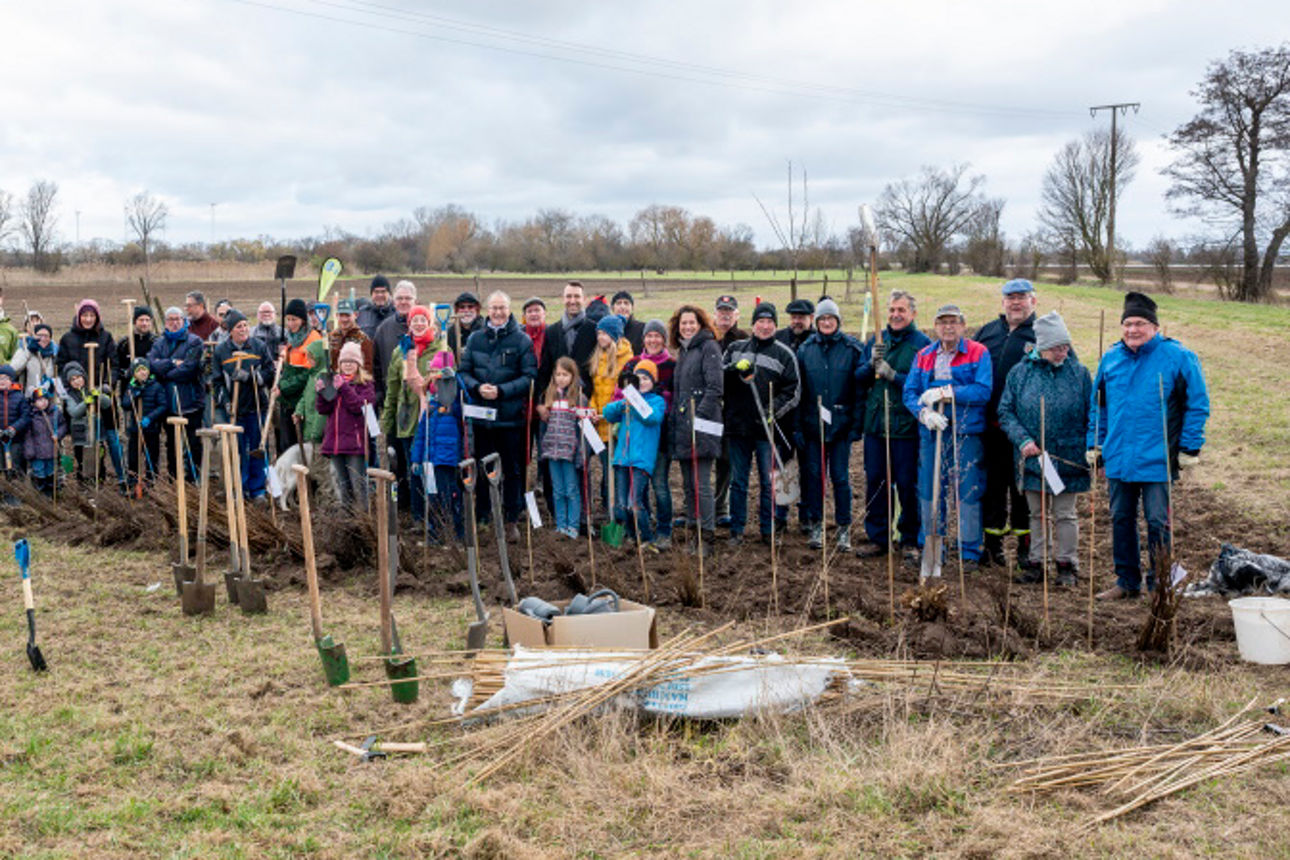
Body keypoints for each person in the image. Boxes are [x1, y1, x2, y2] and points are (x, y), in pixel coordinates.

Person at [1088, 292, 1210, 600]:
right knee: (1120, 518)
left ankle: (1160, 584)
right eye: (1127, 324)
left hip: (1158, 458)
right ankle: (1126, 581)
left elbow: (1197, 404)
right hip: (1118, 456)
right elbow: (1098, 406)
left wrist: (1189, 447)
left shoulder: (1178, 357)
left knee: (1158, 520)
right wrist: (1096, 444)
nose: (1132, 330)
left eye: (1140, 323)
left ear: (1154, 326)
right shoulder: (1111, 358)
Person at [998, 312, 1091, 587]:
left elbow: (1093, 413)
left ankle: (1066, 565)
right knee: (1036, 514)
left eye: (1065, 345)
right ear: (1041, 346)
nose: (1062, 351)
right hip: (1033, 458)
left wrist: (1092, 447)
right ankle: (1036, 563)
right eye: (1056, 347)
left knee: (1065, 514)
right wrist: (1023, 440)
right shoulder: (1020, 373)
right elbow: (1005, 411)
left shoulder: (1079, 373)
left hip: (1069, 456)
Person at [903, 304, 993, 573]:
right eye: (942, 323)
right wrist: (922, 414)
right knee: (930, 491)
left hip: (966, 432)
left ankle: (968, 551)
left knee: (967, 492)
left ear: (963, 326)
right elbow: (910, 392)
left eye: (953, 322)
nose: (948, 327)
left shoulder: (978, 353)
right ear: (935, 327)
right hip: (932, 433)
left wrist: (946, 392)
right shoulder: (924, 356)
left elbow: (982, 390)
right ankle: (932, 547)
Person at [855, 290, 931, 558]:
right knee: (876, 482)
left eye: (901, 310)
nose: (896, 315)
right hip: (876, 424)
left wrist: (893, 375)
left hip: (906, 427)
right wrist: (871, 363)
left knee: (907, 484)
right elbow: (859, 377)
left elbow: (924, 384)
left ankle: (909, 538)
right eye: (892, 310)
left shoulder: (922, 345)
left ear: (912, 313)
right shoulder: (878, 339)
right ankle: (878, 538)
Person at [457, 291, 537, 540]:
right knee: (483, 467)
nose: (498, 313)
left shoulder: (521, 340)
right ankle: (483, 514)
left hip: (510, 417)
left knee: (512, 470)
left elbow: (529, 377)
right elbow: (464, 371)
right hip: (482, 417)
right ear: (487, 311)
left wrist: (501, 391)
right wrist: (477, 388)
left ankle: (511, 517)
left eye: (502, 308)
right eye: (494, 308)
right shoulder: (475, 339)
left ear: (509, 309)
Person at [722, 302, 800, 546]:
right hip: (738, 426)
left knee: (768, 482)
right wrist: (732, 370)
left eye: (770, 322)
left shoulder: (784, 354)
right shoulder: (735, 349)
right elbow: (719, 378)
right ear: (753, 324)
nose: (765, 326)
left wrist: (773, 410)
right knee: (739, 481)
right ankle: (737, 529)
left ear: (775, 326)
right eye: (760, 322)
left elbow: (794, 390)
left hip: (767, 430)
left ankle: (769, 530)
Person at [975, 278, 1038, 566]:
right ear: (1003, 302)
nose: (1016, 302)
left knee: (1023, 489)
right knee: (992, 487)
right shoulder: (987, 332)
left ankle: (1026, 549)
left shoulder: (1042, 334)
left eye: (1021, 297)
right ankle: (992, 546)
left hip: (1025, 432)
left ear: (1032, 301)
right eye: (1010, 297)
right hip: (989, 428)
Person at [795, 299, 864, 550]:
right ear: (817, 321)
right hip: (813, 427)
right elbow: (799, 392)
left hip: (841, 427)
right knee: (814, 477)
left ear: (837, 321)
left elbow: (859, 391)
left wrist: (856, 425)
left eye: (830, 319)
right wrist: (798, 427)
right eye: (822, 319)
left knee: (840, 477)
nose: (826, 323)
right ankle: (816, 524)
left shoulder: (852, 349)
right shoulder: (805, 349)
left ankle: (843, 527)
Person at [382, 305, 454, 526]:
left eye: (423, 320)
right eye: (415, 320)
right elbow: (392, 390)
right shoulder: (400, 352)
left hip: (434, 420)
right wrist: (387, 422)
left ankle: (438, 516)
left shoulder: (441, 349)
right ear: (409, 324)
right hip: (407, 419)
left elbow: (449, 387)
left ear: (430, 322)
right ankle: (418, 518)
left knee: (432, 469)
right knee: (414, 470)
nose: (419, 324)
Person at [669, 305, 723, 555]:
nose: (687, 327)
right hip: (683, 427)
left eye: (691, 323)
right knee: (688, 485)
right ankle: (693, 530)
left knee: (702, 484)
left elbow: (714, 388)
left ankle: (707, 536)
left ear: (701, 324)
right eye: (683, 323)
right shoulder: (684, 351)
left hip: (703, 426)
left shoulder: (708, 348)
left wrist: (697, 417)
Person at [211, 310, 274, 500]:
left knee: (257, 448)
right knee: (238, 451)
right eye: (239, 326)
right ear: (230, 331)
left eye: (246, 325)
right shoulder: (221, 351)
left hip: (256, 406)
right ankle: (240, 488)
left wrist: (251, 378)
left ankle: (258, 490)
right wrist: (226, 402)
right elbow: (217, 382)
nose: (244, 329)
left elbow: (270, 373)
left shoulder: (258, 347)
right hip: (235, 412)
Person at [624, 320, 675, 549]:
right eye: (649, 336)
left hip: (661, 436)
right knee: (639, 488)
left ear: (664, 339)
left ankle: (665, 530)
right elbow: (620, 394)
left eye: (658, 336)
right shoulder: (632, 364)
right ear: (643, 338)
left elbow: (677, 396)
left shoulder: (672, 365)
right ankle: (642, 527)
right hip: (636, 437)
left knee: (660, 485)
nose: (653, 340)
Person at [603, 358, 666, 548]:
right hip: (623, 459)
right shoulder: (627, 401)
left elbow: (651, 418)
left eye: (646, 378)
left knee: (634, 503)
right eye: (638, 379)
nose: (642, 382)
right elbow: (608, 413)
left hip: (640, 460)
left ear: (653, 381)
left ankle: (647, 537)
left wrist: (635, 401)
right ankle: (631, 535)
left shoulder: (657, 401)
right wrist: (623, 402)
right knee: (622, 505)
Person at [316, 342, 376, 510]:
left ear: (358, 364)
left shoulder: (365, 386)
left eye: (352, 361)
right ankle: (347, 524)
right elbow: (323, 409)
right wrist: (321, 394)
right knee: (344, 487)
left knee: (358, 486)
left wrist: (343, 388)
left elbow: (358, 407)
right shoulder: (333, 383)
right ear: (339, 364)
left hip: (355, 445)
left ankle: (364, 519)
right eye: (344, 361)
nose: (348, 365)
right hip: (336, 443)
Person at [148, 307, 205, 481]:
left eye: (178, 319)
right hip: (168, 403)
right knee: (172, 443)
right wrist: (173, 363)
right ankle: (174, 477)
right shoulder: (159, 343)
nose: (174, 322)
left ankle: (193, 477)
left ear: (184, 320)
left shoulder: (194, 341)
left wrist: (165, 372)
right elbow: (152, 365)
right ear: (166, 322)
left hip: (191, 402)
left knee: (193, 443)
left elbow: (189, 368)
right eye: (171, 319)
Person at [587, 315, 633, 518]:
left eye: (604, 333)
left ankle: (621, 511)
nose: (600, 337)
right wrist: (592, 410)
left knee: (618, 472)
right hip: (599, 424)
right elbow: (595, 392)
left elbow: (625, 395)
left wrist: (606, 414)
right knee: (606, 471)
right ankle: (609, 510)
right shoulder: (597, 357)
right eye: (598, 333)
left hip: (617, 425)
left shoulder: (627, 360)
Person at [538, 357, 588, 539]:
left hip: (569, 451)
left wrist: (581, 454)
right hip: (552, 451)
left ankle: (573, 526)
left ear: (573, 376)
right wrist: (543, 449)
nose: (561, 378)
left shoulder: (579, 398)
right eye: (558, 374)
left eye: (565, 375)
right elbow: (543, 428)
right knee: (558, 490)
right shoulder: (549, 397)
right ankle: (561, 525)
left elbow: (583, 430)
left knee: (571, 490)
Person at [711, 294, 747, 529]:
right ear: (715, 314)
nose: (725, 315)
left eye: (729, 311)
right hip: (709, 408)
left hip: (732, 410)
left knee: (727, 460)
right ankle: (702, 507)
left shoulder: (744, 340)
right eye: (721, 311)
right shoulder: (707, 338)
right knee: (705, 457)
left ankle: (721, 507)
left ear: (736, 315)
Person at [276, 298, 325, 455]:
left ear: (303, 320)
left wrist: (283, 388)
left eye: (294, 319)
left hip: (303, 398)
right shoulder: (290, 339)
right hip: (288, 399)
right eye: (288, 319)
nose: (291, 324)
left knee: (300, 445)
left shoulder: (313, 338)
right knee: (286, 443)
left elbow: (307, 375)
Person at [544, 282, 598, 393]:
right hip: (557, 399)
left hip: (586, 399)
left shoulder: (595, 330)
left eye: (577, 296)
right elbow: (546, 370)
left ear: (584, 299)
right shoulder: (551, 332)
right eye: (568, 296)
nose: (572, 301)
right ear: (563, 299)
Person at [121, 358, 166, 487]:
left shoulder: (156, 386)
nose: (142, 372)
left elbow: (163, 406)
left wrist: (150, 418)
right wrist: (134, 394)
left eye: (144, 369)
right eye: (139, 370)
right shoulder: (131, 386)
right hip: (136, 429)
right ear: (134, 373)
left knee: (151, 457)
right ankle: (132, 482)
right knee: (133, 457)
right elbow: (125, 404)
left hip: (152, 429)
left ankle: (151, 482)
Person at [56, 299, 115, 393]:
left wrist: (107, 383)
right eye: (85, 315)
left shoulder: (106, 337)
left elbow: (113, 364)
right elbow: (61, 366)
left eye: (92, 315)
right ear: (79, 317)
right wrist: (71, 381)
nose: (88, 319)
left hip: (101, 391)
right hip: (76, 392)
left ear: (97, 317)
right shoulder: (67, 339)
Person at [372, 280, 416, 402]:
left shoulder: (423, 327)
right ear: (393, 301)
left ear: (415, 301)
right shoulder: (383, 329)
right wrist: (379, 391)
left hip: (417, 394)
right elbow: (376, 365)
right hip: (392, 394)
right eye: (399, 298)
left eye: (408, 298)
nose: (403, 302)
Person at [23, 385, 59, 497]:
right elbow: (28, 436)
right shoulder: (31, 417)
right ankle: (40, 491)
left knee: (50, 470)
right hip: (37, 452)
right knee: (39, 471)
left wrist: (58, 434)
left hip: (50, 450)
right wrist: (30, 451)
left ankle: (51, 492)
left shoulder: (55, 413)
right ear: (34, 403)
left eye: (45, 399)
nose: (43, 402)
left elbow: (62, 426)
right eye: (39, 400)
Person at [114, 306, 156, 396]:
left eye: (147, 320)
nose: (144, 323)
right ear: (134, 321)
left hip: (151, 393)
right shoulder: (124, 343)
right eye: (141, 320)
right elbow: (116, 366)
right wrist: (127, 373)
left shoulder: (156, 342)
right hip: (128, 392)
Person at [329, 298, 375, 375]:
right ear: (336, 316)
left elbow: (368, 367)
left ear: (356, 315)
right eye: (341, 315)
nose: (344, 319)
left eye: (347, 315)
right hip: (334, 383)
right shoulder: (331, 337)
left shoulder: (363, 339)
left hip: (355, 384)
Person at [11, 323, 57, 396]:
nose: (43, 338)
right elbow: (13, 370)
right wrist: (29, 351)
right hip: (27, 399)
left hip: (46, 400)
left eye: (46, 336)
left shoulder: (53, 355)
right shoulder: (23, 350)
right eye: (39, 335)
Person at [0, 365, 30, 477]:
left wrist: (14, 428)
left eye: (5, 378)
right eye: (0, 378)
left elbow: (25, 416)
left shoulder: (19, 397)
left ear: (11, 380)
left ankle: (16, 488)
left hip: (15, 439)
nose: (2, 381)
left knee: (15, 466)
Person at [446, 291, 484, 359]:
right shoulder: (451, 332)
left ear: (477, 309)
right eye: (462, 307)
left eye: (470, 307)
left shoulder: (485, 330)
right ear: (456, 310)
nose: (466, 310)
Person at [357, 274, 395, 341]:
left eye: (383, 291)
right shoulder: (362, 313)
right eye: (376, 292)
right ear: (371, 294)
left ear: (389, 293)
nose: (380, 295)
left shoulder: (396, 313)